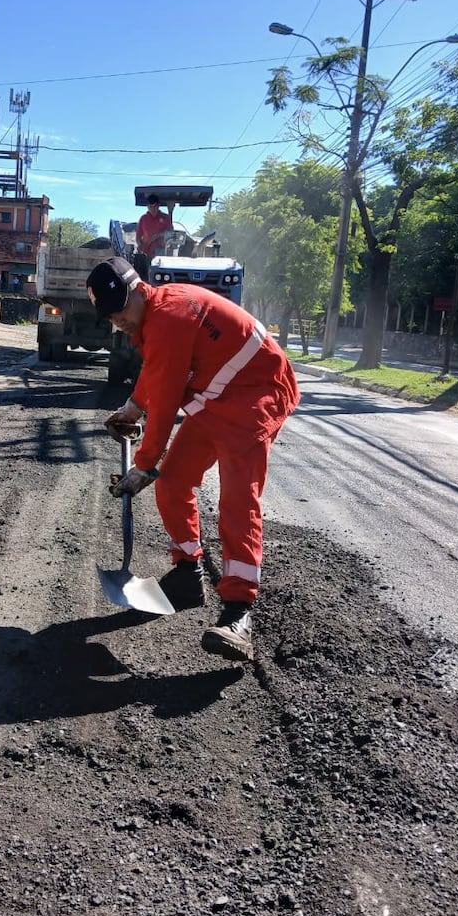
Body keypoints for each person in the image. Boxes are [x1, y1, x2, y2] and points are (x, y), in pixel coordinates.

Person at [87, 256, 300, 663]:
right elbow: (159, 370)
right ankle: (188, 574)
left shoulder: (170, 316)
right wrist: (132, 409)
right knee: (174, 480)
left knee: (237, 501)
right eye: (110, 317)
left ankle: (239, 615)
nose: (117, 322)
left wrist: (144, 465)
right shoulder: (154, 315)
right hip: (216, 399)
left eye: (119, 312)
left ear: (137, 289)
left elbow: (166, 402)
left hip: (257, 394)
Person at [135, 194, 174, 264]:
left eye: (155, 206)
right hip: (146, 254)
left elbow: (171, 234)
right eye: (150, 207)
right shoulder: (143, 219)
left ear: (158, 206)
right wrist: (139, 246)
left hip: (162, 254)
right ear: (147, 207)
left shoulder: (166, 218)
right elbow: (138, 236)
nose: (153, 209)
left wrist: (159, 235)